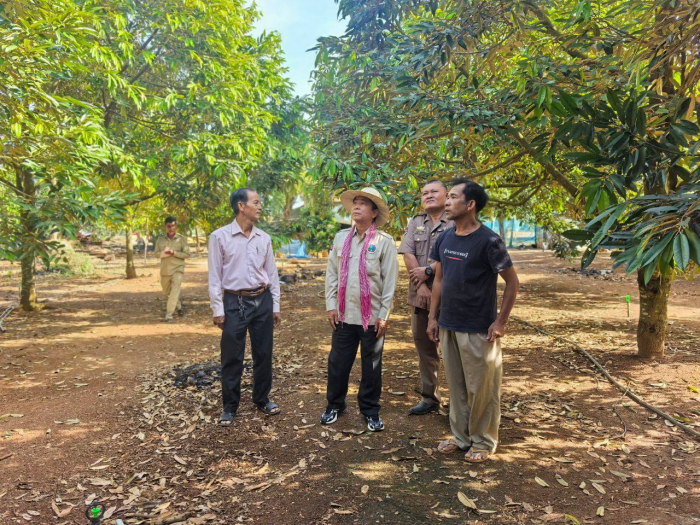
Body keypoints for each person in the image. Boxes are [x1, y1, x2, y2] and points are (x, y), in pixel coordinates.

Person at [427, 178, 519, 462]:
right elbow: (439, 280)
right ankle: (461, 437)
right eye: (448, 197)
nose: (446, 202)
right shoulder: (445, 238)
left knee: (482, 389)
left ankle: (483, 441)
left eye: (453, 197)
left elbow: (512, 283)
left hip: (478, 327)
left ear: (470, 204)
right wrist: (432, 317)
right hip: (449, 324)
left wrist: (500, 322)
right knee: (456, 386)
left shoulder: (489, 241)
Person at [321, 187, 398, 432]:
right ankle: (334, 404)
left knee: (371, 366)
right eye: (355, 202)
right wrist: (331, 305)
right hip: (344, 314)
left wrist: (384, 315)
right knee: (338, 363)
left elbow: (389, 282)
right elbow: (332, 274)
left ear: (374, 212)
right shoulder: (341, 238)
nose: (356, 206)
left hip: (372, 316)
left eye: (364, 203)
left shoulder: (384, 242)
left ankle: (370, 410)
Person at [208, 188, 282, 427]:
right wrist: (218, 310)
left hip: (262, 300)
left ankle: (262, 399)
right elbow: (214, 276)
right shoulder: (219, 237)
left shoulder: (264, 238)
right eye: (256, 202)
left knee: (263, 353)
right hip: (234, 302)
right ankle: (229, 407)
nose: (260, 207)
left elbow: (272, 273)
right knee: (232, 356)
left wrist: (275, 305)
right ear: (241, 206)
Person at [398, 180, 453, 415]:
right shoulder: (416, 222)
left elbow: (453, 256)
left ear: (447, 195)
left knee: (453, 351)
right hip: (420, 298)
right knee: (425, 350)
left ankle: (460, 404)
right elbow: (407, 253)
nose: (428, 195)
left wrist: (428, 271)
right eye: (424, 193)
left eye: (434, 192)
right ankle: (430, 398)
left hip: (450, 298)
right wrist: (421, 285)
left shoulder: (455, 221)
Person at [155, 217, 189, 322]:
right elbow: (155, 254)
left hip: (178, 269)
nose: (171, 228)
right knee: (166, 293)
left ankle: (169, 315)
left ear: (176, 226)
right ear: (165, 227)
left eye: (173, 226)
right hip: (165, 270)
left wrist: (174, 253)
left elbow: (186, 254)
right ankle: (179, 306)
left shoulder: (182, 239)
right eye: (168, 226)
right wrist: (163, 253)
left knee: (175, 291)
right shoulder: (160, 239)